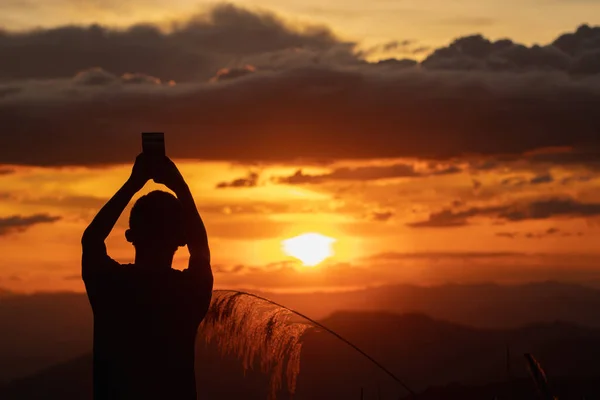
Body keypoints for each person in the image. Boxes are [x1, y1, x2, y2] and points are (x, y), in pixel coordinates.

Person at [81, 154, 213, 400]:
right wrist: (180, 186)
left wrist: (134, 182)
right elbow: (201, 250)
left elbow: (91, 240)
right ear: (181, 240)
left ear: (130, 235)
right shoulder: (190, 291)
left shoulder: (110, 286)